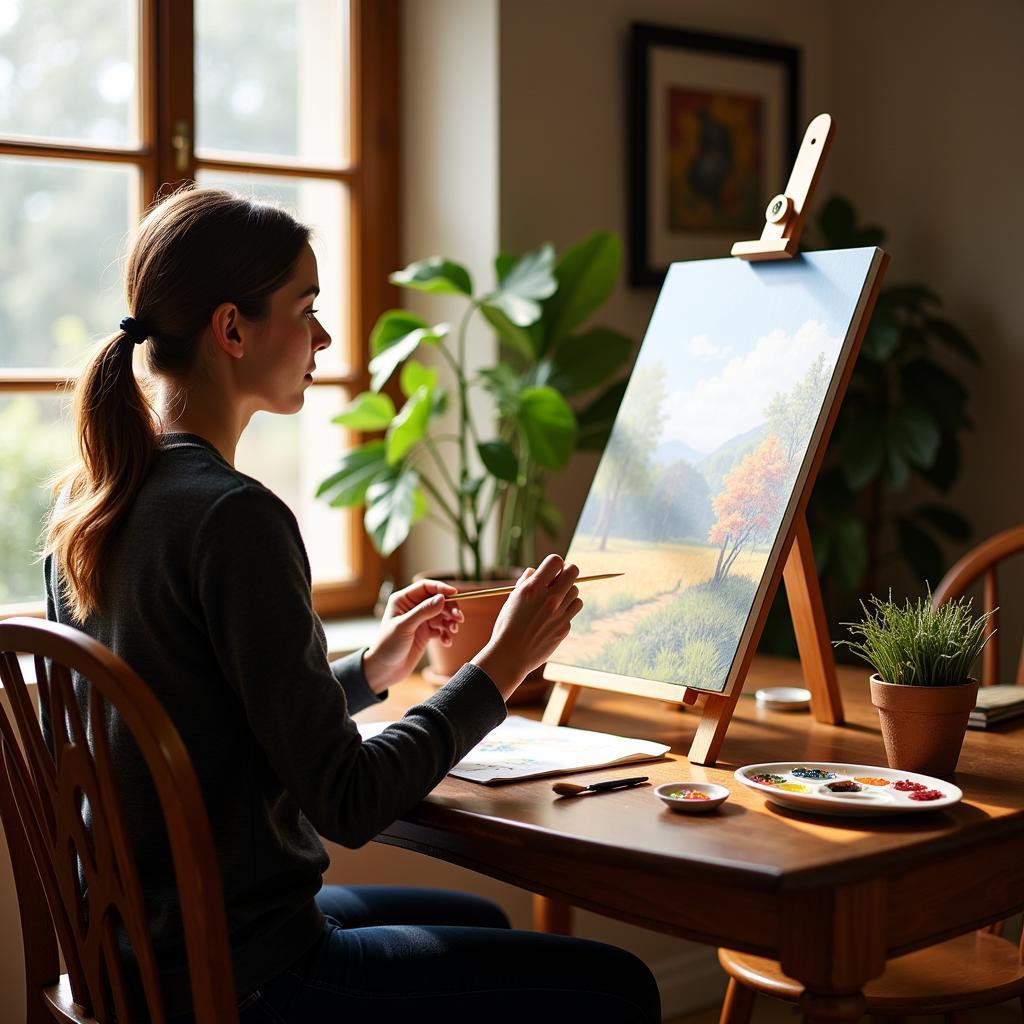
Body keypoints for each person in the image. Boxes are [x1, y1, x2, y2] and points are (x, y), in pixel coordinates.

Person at [42, 186, 661, 1023]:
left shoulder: (97, 505)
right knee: (620, 987)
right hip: (249, 979)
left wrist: (371, 670)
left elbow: (209, 718)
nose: (324, 338)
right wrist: (502, 662)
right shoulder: (234, 517)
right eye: (307, 309)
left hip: (140, 961)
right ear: (232, 329)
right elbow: (351, 799)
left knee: (478, 920)